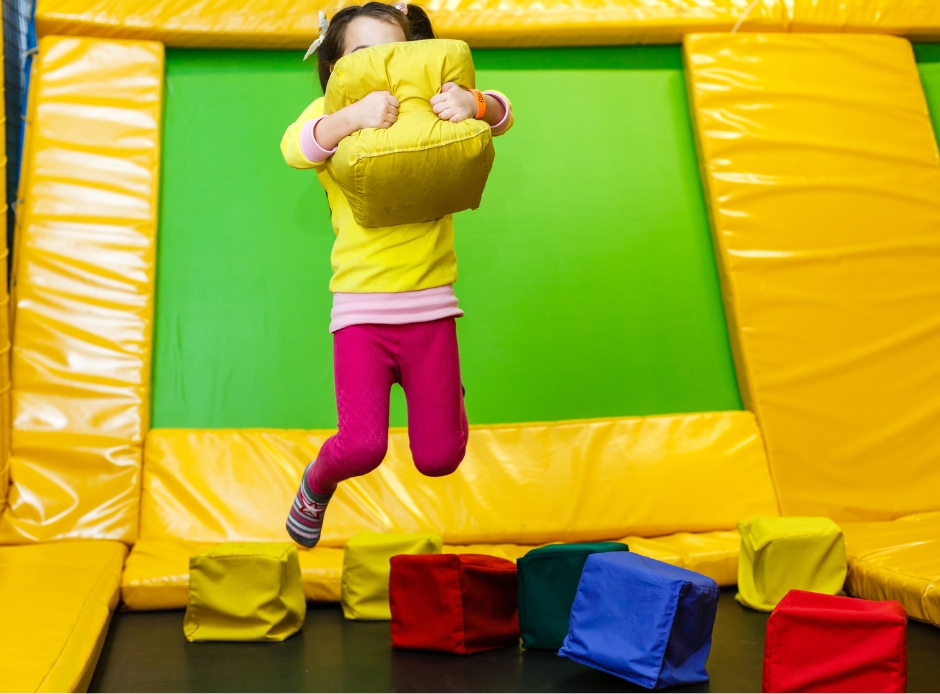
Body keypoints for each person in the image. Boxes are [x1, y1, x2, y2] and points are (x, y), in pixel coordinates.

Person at [280, 2, 514, 548]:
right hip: (362, 311)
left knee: (440, 458)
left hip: (431, 308)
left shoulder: (432, 106)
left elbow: (503, 115)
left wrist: (473, 101)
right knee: (362, 446)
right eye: (363, 54)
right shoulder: (333, 113)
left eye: (394, 50)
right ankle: (317, 483)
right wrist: (352, 117)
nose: (382, 62)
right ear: (337, 69)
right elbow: (296, 147)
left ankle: (445, 394)